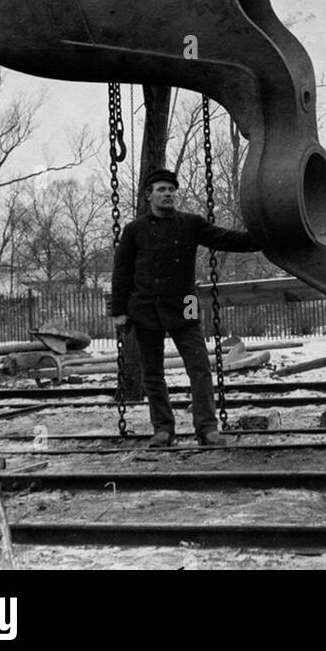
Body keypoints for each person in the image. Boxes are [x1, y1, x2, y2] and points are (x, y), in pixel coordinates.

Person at [110, 167, 261, 447]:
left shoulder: (190, 223)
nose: (168, 194)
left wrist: (262, 239)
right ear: (149, 195)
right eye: (161, 190)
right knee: (152, 373)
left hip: (186, 304)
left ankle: (207, 428)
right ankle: (163, 430)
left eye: (171, 190)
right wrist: (118, 310)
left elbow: (225, 238)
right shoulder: (134, 230)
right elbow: (121, 271)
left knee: (200, 367)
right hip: (145, 307)